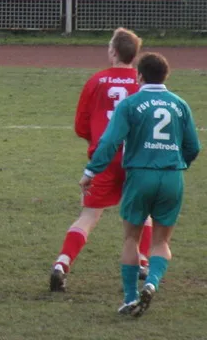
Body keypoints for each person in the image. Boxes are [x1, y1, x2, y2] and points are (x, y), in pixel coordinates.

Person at [79, 52, 200, 317]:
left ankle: (130, 297)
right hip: (171, 176)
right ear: (166, 75)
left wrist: (91, 171)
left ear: (139, 76)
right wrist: (176, 164)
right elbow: (193, 147)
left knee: (131, 239)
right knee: (161, 241)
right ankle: (152, 282)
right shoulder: (180, 105)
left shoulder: (130, 104)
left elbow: (110, 142)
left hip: (139, 176)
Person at [50, 27, 153, 292]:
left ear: (114, 52)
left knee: (88, 216)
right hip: (136, 159)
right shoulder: (143, 84)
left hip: (103, 159)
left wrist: (97, 141)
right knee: (143, 212)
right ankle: (143, 261)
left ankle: (62, 263)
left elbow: (80, 125)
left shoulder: (96, 81)